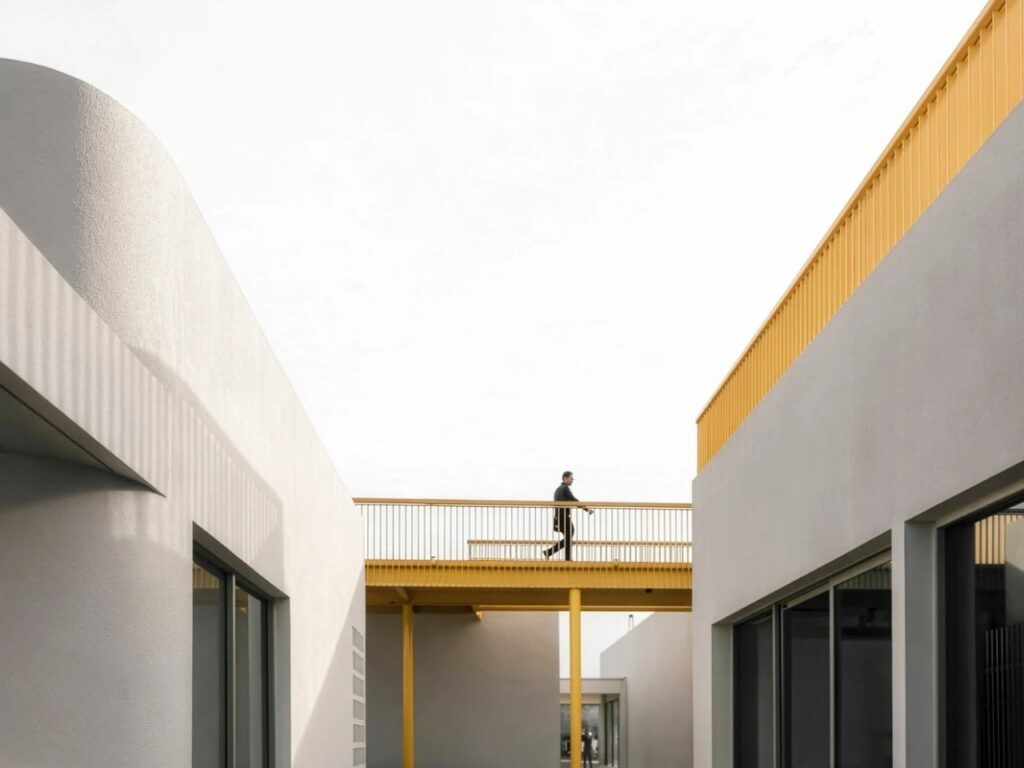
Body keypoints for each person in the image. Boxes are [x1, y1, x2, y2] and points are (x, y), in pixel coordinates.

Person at [543, 471, 591, 561]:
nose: (573, 480)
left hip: (558, 517)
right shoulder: (565, 488)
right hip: (564, 516)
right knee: (569, 536)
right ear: (565, 478)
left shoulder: (558, 489)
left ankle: (552, 553)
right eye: (571, 478)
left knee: (568, 538)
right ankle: (553, 554)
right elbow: (574, 500)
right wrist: (586, 509)